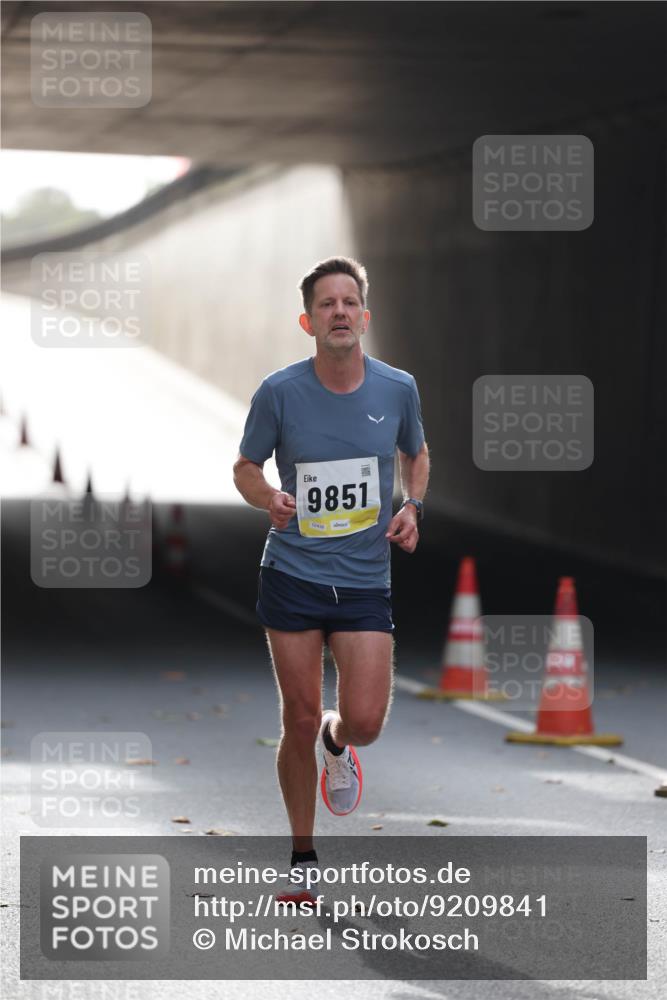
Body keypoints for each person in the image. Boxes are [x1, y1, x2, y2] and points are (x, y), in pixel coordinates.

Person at [233, 256, 429, 903]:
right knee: (297, 713)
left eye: (349, 302)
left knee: (364, 719)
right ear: (307, 319)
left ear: (364, 316)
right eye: (326, 303)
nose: (339, 311)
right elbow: (244, 466)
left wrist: (410, 505)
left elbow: (415, 452)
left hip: (365, 578)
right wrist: (267, 497)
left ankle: (336, 743)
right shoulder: (280, 392)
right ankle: (302, 858)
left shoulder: (396, 388)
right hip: (292, 571)